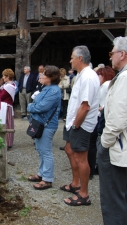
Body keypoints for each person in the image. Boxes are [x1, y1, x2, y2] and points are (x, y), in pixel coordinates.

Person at [61, 46, 100, 206]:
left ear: (80, 59)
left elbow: (85, 106)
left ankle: (84, 194)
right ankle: (75, 183)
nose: (70, 60)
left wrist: (76, 125)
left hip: (81, 124)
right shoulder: (82, 75)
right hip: (73, 122)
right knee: (70, 150)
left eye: (72, 57)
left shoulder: (89, 77)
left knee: (81, 157)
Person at [98, 36, 127, 224]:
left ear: (122, 54)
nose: (110, 58)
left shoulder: (124, 78)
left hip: (117, 147)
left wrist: (104, 143)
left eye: (112, 53)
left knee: (113, 201)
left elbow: (117, 119)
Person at [27, 65, 61, 190]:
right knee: (40, 150)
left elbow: (41, 107)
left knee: (46, 152)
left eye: (44, 74)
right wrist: (33, 105)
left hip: (47, 125)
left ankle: (47, 179)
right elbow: (37, 103)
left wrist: (30, 107)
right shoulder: (47, 88)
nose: (41, 76)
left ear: (52, 77)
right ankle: (41, 174)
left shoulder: (53, 91)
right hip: (40, 123)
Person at [87, 66, 115, 180]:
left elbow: (108, 102)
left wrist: (102, 108)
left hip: (100, 118)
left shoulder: (105, 85)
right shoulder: (108, 84)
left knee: (93, 144)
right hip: (101, 117)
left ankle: (91, 169)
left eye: (99, 75)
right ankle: (95, 167)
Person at [0, 69, 16, 148]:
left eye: (4, 76)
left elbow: (0, 96)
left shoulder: (9, 86)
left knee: (7, 124)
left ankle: (8, 143)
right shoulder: (7, 85)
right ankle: (4, 141)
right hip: (4, 106)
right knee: (6, 123)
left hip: (6, 107)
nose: (3, 77)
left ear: (8, 77)